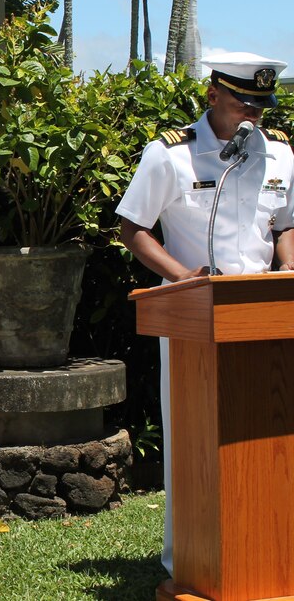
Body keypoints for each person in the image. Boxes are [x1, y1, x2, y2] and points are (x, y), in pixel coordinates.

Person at [116, 51, 294, 576]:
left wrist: (287, 264)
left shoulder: (281, 155)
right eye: (244, 103)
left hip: (266, 315)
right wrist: (180, 276)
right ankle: (189, 558)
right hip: (192, 315)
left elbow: (286, 222)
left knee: (268, 438)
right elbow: (133, 227)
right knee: (193, 443)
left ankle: (267, 549)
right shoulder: (171, 155)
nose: (253, 116)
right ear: (213, 94)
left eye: (261, 105)